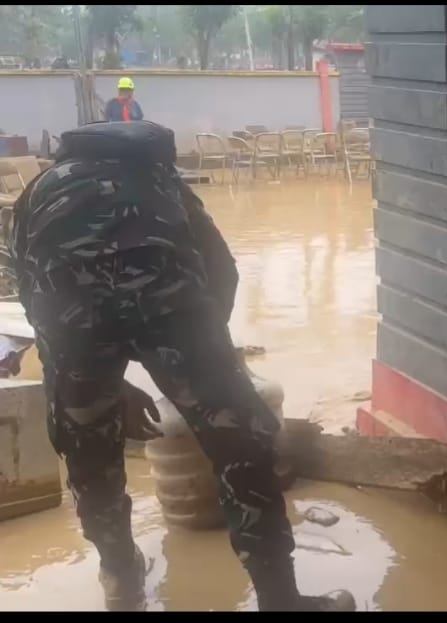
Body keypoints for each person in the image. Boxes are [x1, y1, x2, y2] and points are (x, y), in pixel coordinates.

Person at [9, 121, 355, 612]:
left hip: (70, 331)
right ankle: (282, 601)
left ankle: (121, 580)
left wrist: (108, 380)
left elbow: (29, 289)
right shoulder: (158, 182)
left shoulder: (38, 194)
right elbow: (222, 271)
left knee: (91, 462)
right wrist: (207, 365)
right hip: (176, 319)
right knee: (241, 446)